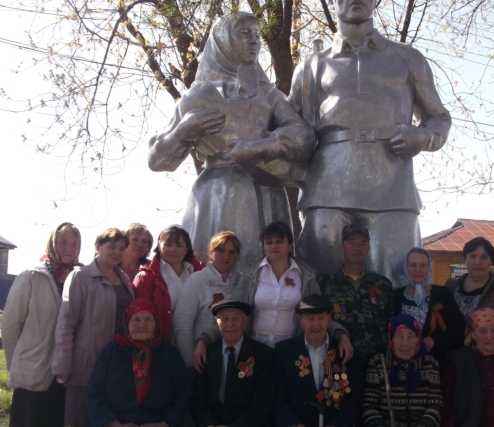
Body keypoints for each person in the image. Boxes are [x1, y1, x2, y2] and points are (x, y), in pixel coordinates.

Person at [290, 0, 452, 285]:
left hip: (391, 187)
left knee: (396, 281)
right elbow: (290, 127)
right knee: (319, 282)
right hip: (328, 189)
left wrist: (422, 136)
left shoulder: (407, 58)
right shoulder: (312, 65)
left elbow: (438, 118)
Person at [147, 11, 315, 274]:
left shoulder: (268, 94)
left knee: (267, 277)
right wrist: (182, 132)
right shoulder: (199, 94)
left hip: (265, 188)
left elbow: (304, 136)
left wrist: (261, 147)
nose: (255, 42)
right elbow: (157, 161)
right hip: (216, 193)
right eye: (245, 34)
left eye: (257, 36)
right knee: (212, 280)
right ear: (223, 41)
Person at [1, 222, 81, 427]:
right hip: (33, 369)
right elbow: (10, 325)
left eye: (74, 244)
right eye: (63, 242)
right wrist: (17, 365)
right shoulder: (32, 276)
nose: (68, 249)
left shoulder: (80, 278)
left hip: (65, 372)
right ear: (52, 243)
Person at [53, 228, 135, 427]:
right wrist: (63, 363)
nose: (117, 252)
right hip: (86, 362)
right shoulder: (80, 277)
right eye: (112, 246)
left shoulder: (124, 279)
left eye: (122, 248)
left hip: (117, 363)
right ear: (98, 246)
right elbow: (66, 322)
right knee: (81, 418)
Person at [238, 221, 352, 358]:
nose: (274, 246)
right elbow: (234, 313)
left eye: (279, 241)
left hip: (291, 352)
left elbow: (321, 314)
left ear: (290, 245)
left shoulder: (306, 277)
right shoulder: (249, 276)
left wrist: (341, 334)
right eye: (269, 242)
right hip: (255, 349)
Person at [86, 299, 190, 427]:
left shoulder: (169, 353)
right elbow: (94, 392)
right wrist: (113, 424)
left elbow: (183, 392)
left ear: (155, 323)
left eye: (148, 319)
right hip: (118, 421)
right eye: (136, 320)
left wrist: (166, 423)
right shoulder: (111, 352)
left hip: (159, 421)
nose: (142, 325)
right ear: (126, 322)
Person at [274, 295, 364, 427]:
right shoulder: (284, 351)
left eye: (321, 318)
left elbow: (354, 400)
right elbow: (277, 398)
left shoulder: (345, 352)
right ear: (300, 320)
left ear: (329, 318)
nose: (316, 325)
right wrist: (293, 424)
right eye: (310, 319)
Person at [191, 299, 274, 427]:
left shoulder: (263, 355)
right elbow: (198, 399)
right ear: (216, 324)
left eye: (235, 319)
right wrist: (208, 424)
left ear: (244, 323)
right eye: (224, 319)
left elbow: (261, 403)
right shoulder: (206, 354)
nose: (230, 324)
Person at [318, 224, 394, 363]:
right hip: (338, 361)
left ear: (368, 249)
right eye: (351, 243)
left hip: (376, 363)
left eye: (362, 244)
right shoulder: (325, 283)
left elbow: (392, 324)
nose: (357, 248)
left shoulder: (382, 285)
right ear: (342, 247)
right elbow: (319, 320)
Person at [173, 231, 243, 371]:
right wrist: (190, 364)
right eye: (221, 250)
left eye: (232, 252)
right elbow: (182, 326)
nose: (226, 256)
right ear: (210, 252)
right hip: (202, 361)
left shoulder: (243, 281)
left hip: (236, 360)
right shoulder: (196, 281)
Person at [393, 247, 465, 372]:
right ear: (406, 267)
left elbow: (458, 332)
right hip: (400, 367)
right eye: (413, 265)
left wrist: (434, 340)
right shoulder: (395, 296)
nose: (417, 270)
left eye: (423, 265)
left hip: (436, 367)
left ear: (429, 267)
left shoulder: (443, 295)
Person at [362, 314, 442, 427]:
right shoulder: (378, 363)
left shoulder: (430, 363)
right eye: (399, 337)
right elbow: (370, 406)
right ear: (391, 339)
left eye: (411, 336)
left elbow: (435, 405)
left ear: (418, 339)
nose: (405, 343)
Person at [444, 237, 494, 349]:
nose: (477, 262)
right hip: (452, 358)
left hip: (489, 359)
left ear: (491, 261)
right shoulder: (450, 287)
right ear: (465, 259)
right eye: (472, 256)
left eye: (484, 257)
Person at [133, 225, 199, 342]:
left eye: (179, 245)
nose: (173, 249)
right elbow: (139, 317)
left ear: (187, 248)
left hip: (196, 344)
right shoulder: (146, 277)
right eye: (168, 245)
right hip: (161, 345)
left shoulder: (197, 272)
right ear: (159, 245)